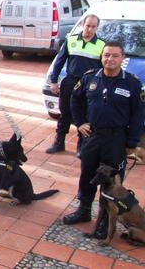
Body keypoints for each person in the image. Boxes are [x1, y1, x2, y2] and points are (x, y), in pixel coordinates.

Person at [62, 42, 144, 233]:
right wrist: (80, 122)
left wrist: (132, 143)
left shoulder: (132, 83)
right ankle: (83, 210)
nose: (110, 59)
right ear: (101, 57)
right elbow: (75, 99)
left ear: (122, 58)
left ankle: (105, 220)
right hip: (92, 136)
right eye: (106, 55)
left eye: (115, 56)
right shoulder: (90, 77)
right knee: (88, 175)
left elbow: (138, 116)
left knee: (112, 182)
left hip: (117, 139)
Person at [46, 14, 105, 154]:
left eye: (93, 26)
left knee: (85, 115)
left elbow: (105, 68)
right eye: (87, 25)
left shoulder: (102, 45)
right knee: (64, 113)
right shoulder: (71, 40)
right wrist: (54, 81)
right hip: (70, 82)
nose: (89, 29)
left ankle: (81, 146)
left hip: (90, 85)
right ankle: (59, 142)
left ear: (97, 27)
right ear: (82, 25)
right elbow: (59, 61)